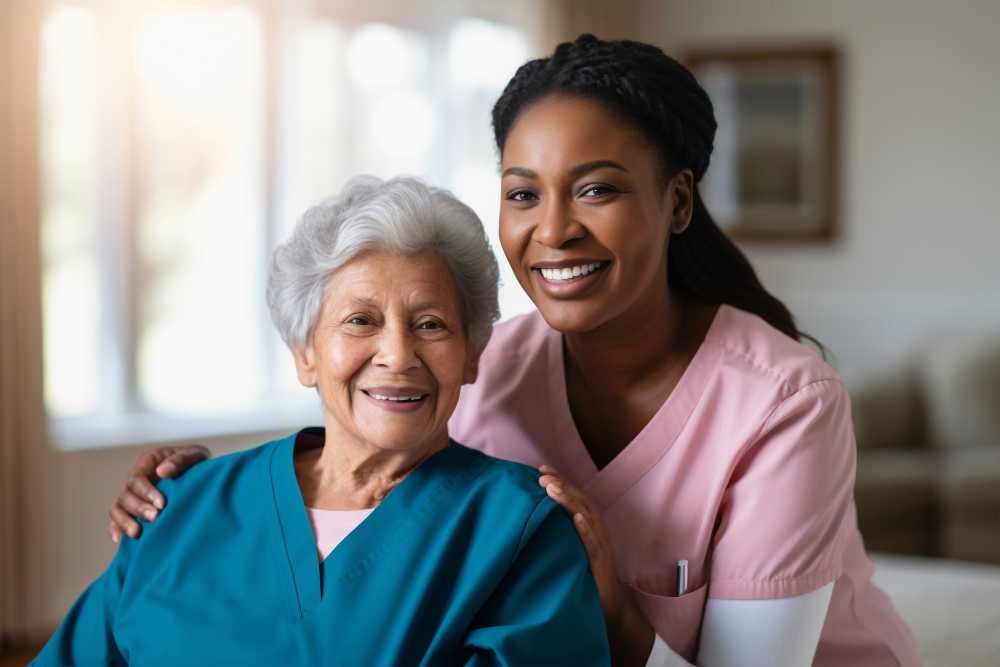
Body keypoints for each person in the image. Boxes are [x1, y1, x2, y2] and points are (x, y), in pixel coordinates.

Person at [107, 36, 921, 667]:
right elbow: (355, 426)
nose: (553, 228)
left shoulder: (784, 403)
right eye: (523, 193)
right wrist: (203, 497)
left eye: (596, 189)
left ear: (676, 202)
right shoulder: (478, 360)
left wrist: (613, 604)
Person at [33, 176, 611, 667]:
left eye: (431, 324)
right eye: (361, 320)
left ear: (472, 354)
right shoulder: (175, 507)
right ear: (304, 353)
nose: (398, 354)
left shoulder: (521, 531)